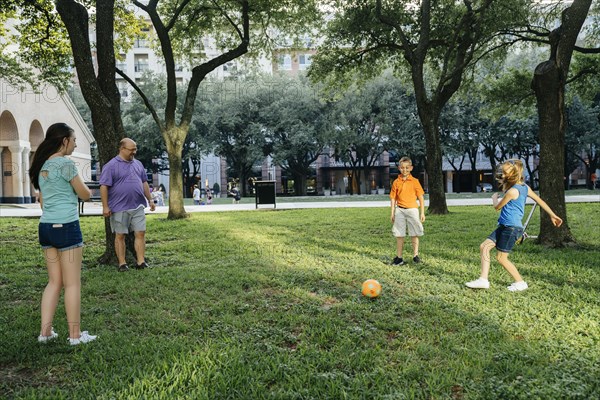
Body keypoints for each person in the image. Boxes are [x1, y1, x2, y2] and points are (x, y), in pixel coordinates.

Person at [28, 122, 98, 345]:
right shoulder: (66, 165)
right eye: (74, 140)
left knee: (54, 282)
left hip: (46, 228)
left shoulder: (41, 166)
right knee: (72, 284)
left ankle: (45, 333)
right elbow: (85, 195)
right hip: (67, 228)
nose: (76, 143)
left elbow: (42, 200)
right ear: (64, 141)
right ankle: (75, 336)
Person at [465, 159, 563, 292]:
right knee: (484, 247)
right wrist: (552, 214)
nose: (502, 174)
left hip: (511, 229)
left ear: (512, 174)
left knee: (501, 258)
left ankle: (520, 282)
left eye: (504, 172)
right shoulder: (524, 187)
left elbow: (497, 207)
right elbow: (540, 200)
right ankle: (483, 280)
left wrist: (494, 198)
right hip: (505, 226)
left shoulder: (512, 192)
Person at [99, 138, 155, 272]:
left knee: (140, 233)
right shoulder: (111, 166)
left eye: (135, 149)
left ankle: (141, 261)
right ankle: (122, 263)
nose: (134, 152)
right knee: (120, 235)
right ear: (122, 149)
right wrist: (105, 206)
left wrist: (150, 199)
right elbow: (104, 186)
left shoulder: (138, 164)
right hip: (119, 207)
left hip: (138, 206)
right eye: (131, 149)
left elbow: (144, 183)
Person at [389, 157, 426, 265]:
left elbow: (421, 198)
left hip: (412, 210)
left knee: (414, 233)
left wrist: (422, 212)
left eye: (407, 167)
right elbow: (393, 198)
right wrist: (392, 213)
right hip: (399, 210)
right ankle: (399, 258)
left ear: (411, 168)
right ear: (399, 168)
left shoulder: (415, 182)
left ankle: (415, 255)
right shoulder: (396, 182)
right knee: (399, 234)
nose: (404, 170)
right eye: (402, 167)